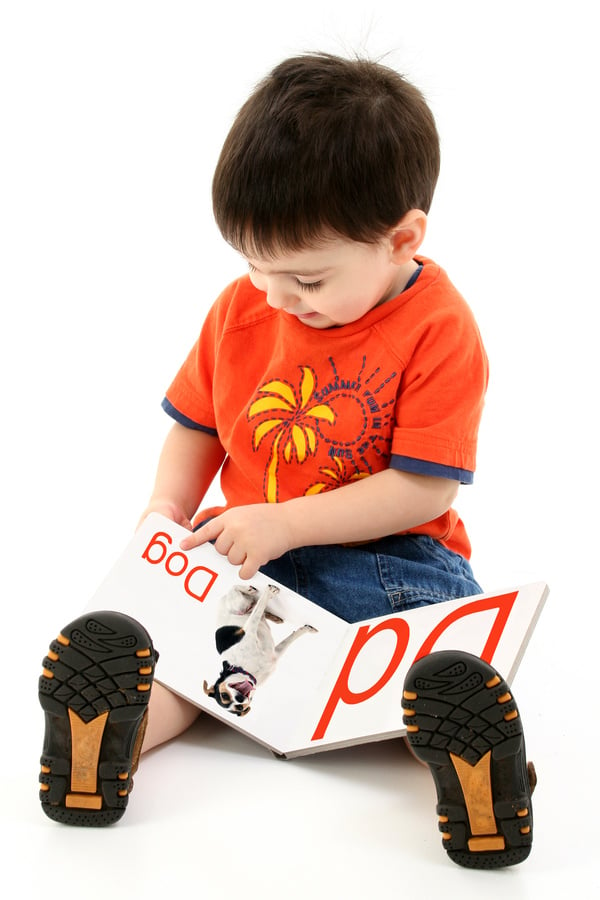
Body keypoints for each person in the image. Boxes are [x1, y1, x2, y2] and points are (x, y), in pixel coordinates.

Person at [38, 52, 534, 867]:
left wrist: (290, 522)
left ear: (401, 237)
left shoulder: (441, 328)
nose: (274, 298)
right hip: (243, 552)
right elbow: (196, 425)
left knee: (410, 674)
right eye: (254, 267)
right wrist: (165, 508)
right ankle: (111, 738)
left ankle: (469, 764)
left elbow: (421, 487)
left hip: (386, 561)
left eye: (305, 278)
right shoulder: (244, 306)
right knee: (185, 667)